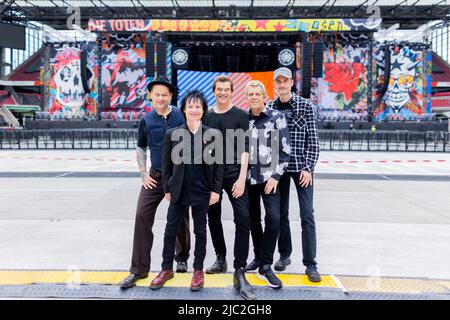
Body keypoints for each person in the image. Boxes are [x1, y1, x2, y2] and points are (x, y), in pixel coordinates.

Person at [119, 76, 191, 289]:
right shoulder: (146, 120)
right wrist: (143, 173)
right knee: (142, 215)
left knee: (180, 219)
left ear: (170, 96)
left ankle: (182, 257)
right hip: (156, 175)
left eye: (165, 94)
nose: (160, 98)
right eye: (157, 94)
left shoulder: (181, 114)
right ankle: (139, 270)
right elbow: (141, 147)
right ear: (151, 96)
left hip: (180, 174)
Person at [150, 90, 223, 292]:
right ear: (183, 109)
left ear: (203, 110)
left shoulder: (213, 135)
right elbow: (166, 165)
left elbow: (218, 166)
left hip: (202, 191)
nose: (193, 110)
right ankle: (166, 268)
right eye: (190, 106)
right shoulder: (172, 134)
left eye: (197, 106)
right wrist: (166, 188)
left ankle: (198, 270)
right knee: (170, 230)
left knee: (200, 231)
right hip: (178, 191)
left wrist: (216, 191)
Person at [266, 67, 322, 282]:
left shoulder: (306, 106)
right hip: (279, 171)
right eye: (278, 81)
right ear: (275, 84)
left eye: (285, 81)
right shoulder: (269, 107)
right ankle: (284, 255)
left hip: (301, 169)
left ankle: (310, 264)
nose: (281, 84)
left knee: (307, 214)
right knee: (280, 215)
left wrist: (309, 168)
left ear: (291, 83)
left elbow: (314, 141)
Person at [204, 75, 256, 300]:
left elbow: (246, 147)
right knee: (212, 218)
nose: (223, 93)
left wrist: (242, 177)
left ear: (232, 92)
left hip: (235, 174)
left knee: (243, 219)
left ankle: (239, 267)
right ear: (214, 91)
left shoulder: (241, 116)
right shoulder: (207, 116)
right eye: (219, 89)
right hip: (213, 176)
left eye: (226, 89)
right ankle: (220, 258)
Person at [244, 80, 290, 289]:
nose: (254, 97)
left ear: (264, 96)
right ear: (247, 97)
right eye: (250, 94)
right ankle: (259, 259)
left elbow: (285, 151)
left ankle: (265, 263)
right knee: (253, 220)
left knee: (273, 219)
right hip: (248, 180)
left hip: (270, 179)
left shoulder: (276, 117)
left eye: (257, 94)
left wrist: (276, 177)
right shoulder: (242, 120)